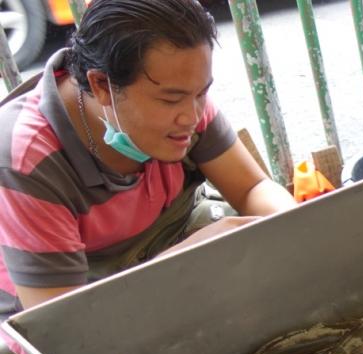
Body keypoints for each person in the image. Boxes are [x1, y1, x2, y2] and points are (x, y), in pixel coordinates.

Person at [0, 0, 295, 330]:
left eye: (201, 93)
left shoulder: (180, 96)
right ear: (101, 86)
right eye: (171, 100)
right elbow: (65, 327)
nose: (193, 116)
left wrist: (294, 227)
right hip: (83, 297)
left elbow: (252, 188)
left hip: (173, 241)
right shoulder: (24, 161)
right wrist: (180, 262)